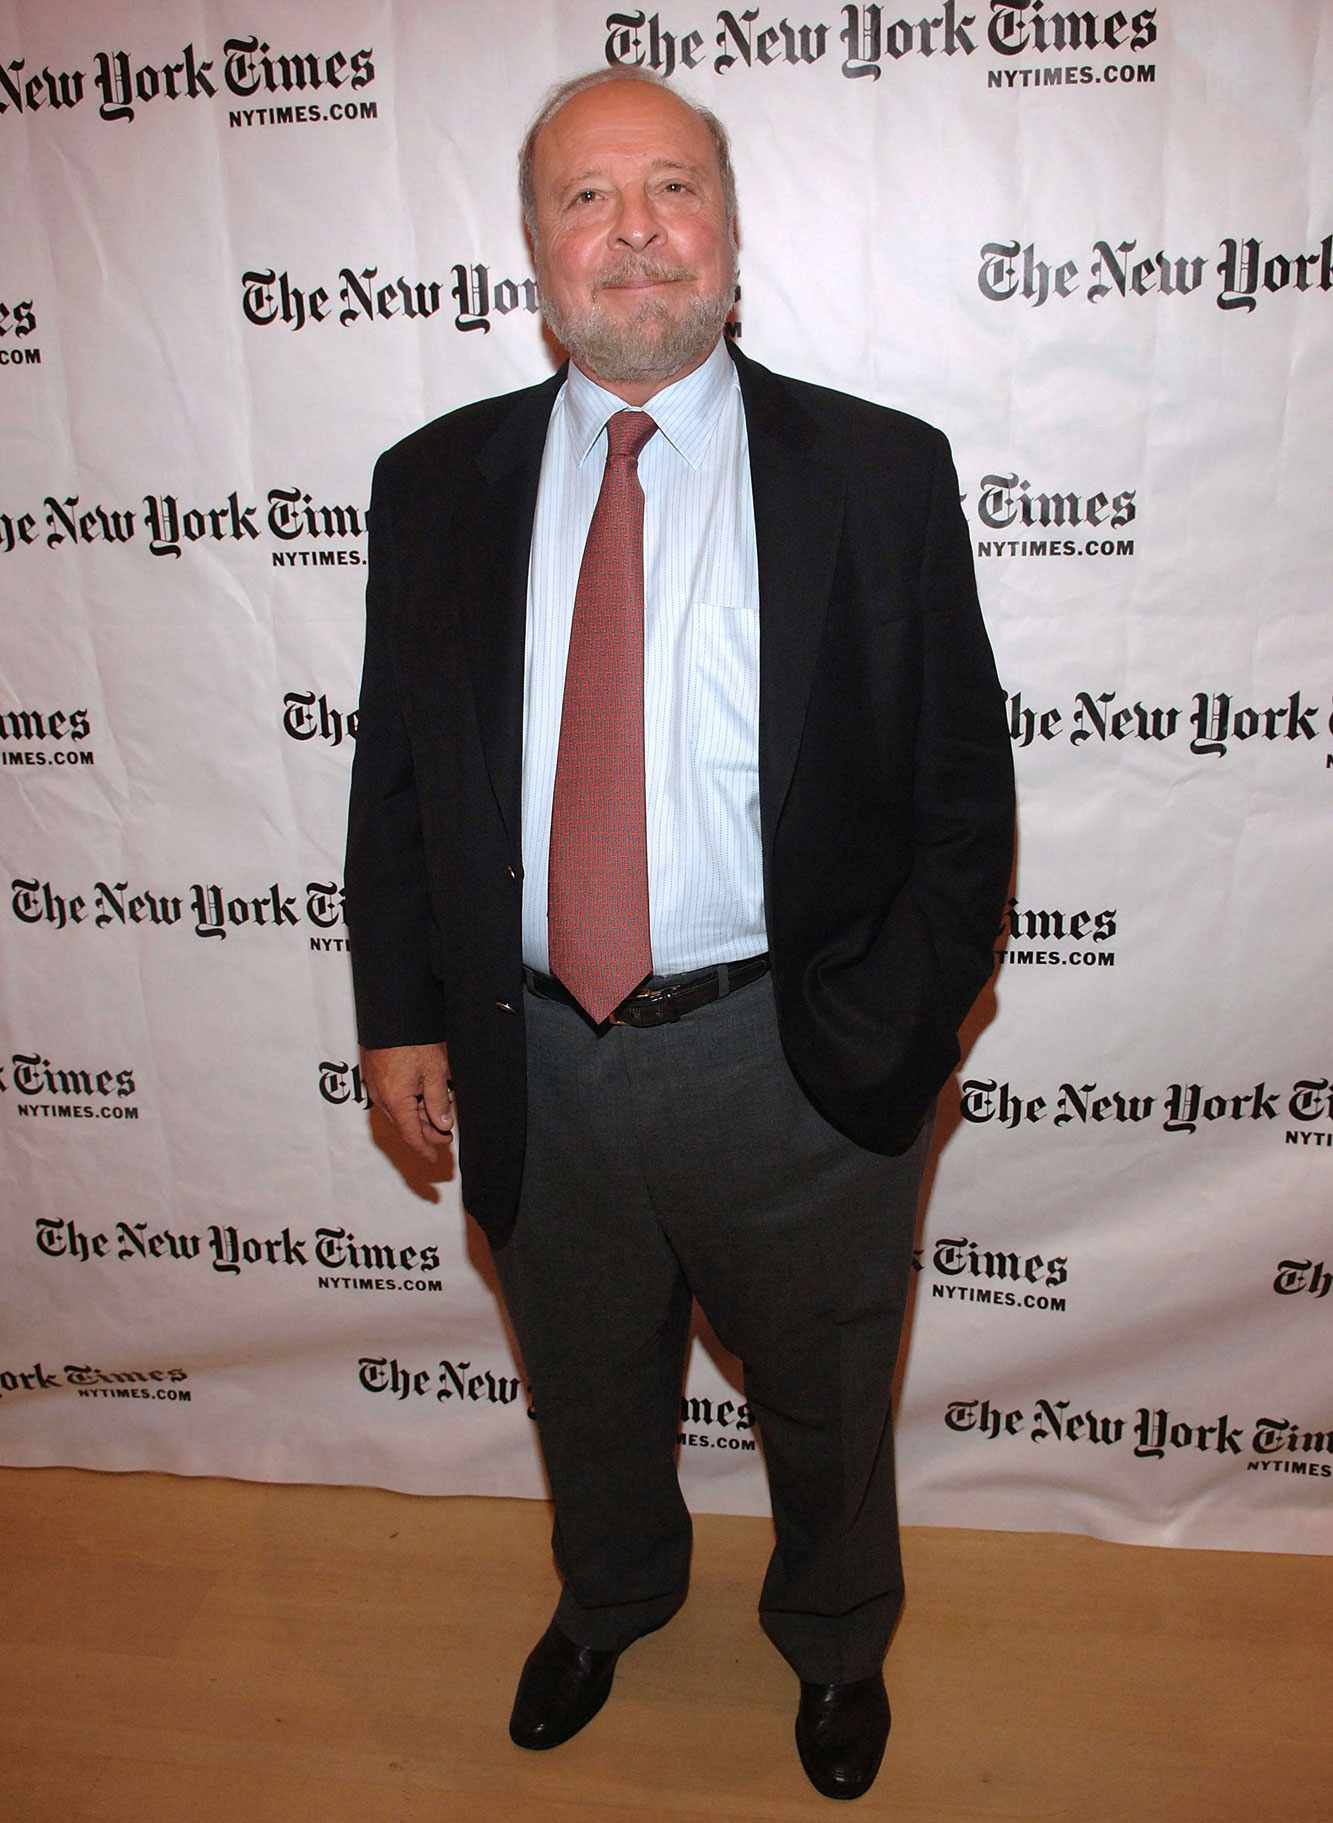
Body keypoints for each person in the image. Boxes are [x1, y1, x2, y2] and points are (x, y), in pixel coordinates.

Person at [345, 66, 1014, 1802]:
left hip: (789, 1057)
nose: (631, 230)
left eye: (668, 189)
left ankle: (837, 1643)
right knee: (584, 1386)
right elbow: (398, 780)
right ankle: (613, 1597)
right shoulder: (431, 485)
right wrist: (401, 1011)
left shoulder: (875, 471)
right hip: (531, 1058)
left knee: (824, 1396)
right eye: (585, 197)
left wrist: (898, 1034)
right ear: (532, 247)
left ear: (728, 228)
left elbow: (963, 797)